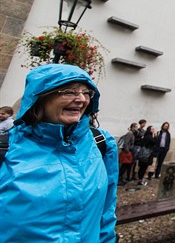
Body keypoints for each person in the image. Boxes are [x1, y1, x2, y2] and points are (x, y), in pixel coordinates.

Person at [0, 64, 118, 242]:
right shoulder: (7, 149)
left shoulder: (101, 144)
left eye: (86, 93)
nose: (81, 99)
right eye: (69, 91)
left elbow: (106, 211)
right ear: (41, 97)